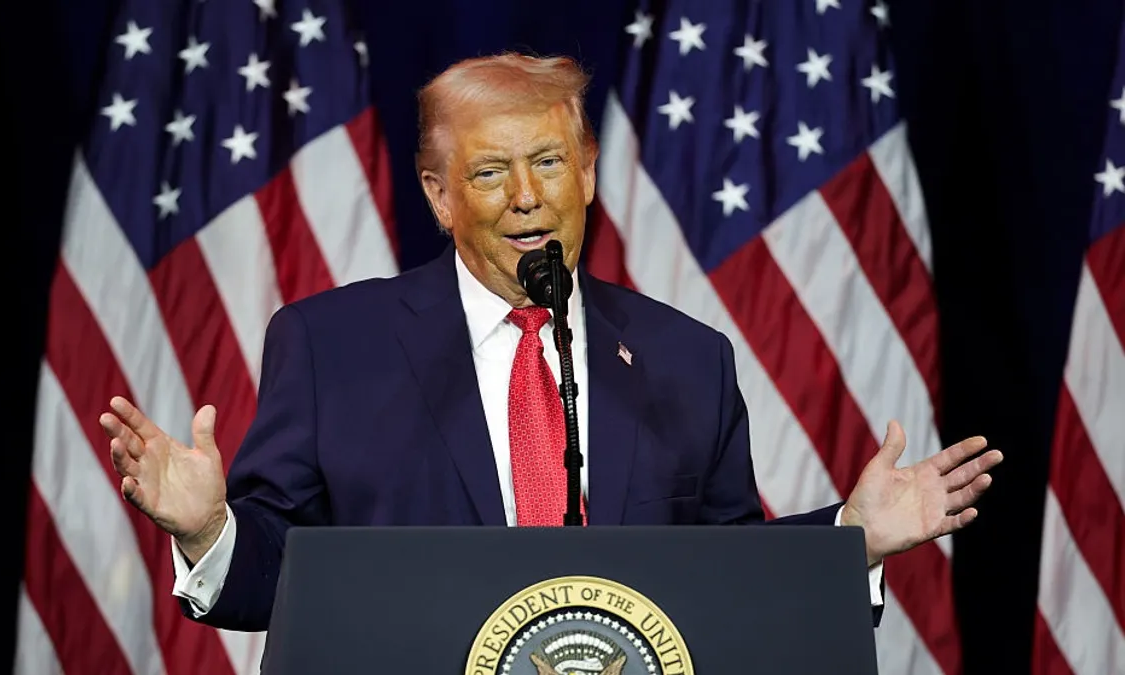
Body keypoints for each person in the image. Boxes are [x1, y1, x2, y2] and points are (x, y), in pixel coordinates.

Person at [100, 53, 1002, 633]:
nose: (527, 196)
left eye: (550, 163)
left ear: (589, 172)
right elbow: (281, 585)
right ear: (439, 195)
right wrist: (211, 530)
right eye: (490, 172)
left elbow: (729, 584)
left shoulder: (688, 359)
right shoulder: (333, 346)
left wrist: (853, 538)